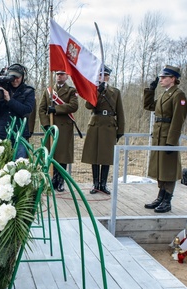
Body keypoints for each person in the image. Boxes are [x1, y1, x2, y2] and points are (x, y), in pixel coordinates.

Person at [142, 65, 187, 213]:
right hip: (158, 136)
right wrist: (151, 90)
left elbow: (178, 119)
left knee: (168, 170)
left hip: (168, 136)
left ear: (173, 79)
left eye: (164, 77)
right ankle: (160, 197)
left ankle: (167, 200)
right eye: (160, 77)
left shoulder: (178, 95)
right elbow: (149, 105)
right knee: (160, 169)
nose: (161, 80)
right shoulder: (164, 94)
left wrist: (171, 141)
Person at [82, 65, 125, 195]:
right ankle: (95, 184)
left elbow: (120, 112)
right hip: (95, 125)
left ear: (108, 77)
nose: (103, 78)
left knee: (106, 157)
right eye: (101, 75)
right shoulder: (93, 90)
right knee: (94, 156)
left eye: (105, 75)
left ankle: (103, 184)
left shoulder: (115, 92)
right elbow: (88, 105)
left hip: (109, 126)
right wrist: (97, 92)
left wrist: (120, 130)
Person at [38, 70, 79, 192]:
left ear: (66, 76)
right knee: (52, 154)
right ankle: (53, 179)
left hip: (64, 128)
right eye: (57, 74)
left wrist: (55, 109)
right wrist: (46, 124)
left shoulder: (71, 91)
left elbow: (73, 106)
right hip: (51, 127)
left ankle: (60, 181)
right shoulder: (49, 90)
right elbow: (41, 109)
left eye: (62, 74)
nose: (59, 76)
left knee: (62, 156)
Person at [0, 63, 35, 159]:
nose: (15, 80)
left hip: (20, 134)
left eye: (17, 77)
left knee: (19, 169)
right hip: (1, 134)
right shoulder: (2, 89)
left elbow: (26, 111)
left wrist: (9, 100)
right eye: (12, 77)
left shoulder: (28, 91)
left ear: (23, 77)